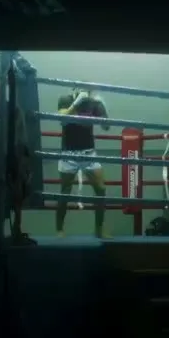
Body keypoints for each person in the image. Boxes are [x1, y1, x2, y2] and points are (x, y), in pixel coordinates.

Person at [55, 90, 111, 238]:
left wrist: (103, 108)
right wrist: (76, 103)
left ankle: (99, 229)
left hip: (88, 153)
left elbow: (106, 127)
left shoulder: (92, 103)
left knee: (101, 189)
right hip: (69, 153)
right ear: (75, 91)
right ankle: (59, 229)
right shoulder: (65, 99)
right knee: (65, 191)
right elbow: (62, 120)